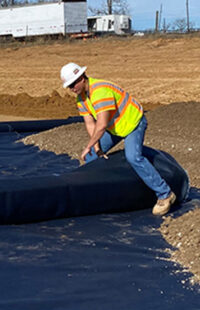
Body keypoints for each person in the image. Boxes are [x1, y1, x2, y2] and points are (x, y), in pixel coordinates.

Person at [60, 62, 175, 216]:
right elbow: (90, 123)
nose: (72, 88)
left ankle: (165, 194)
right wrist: (95, 148)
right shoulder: (81, 99)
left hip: (133, 123)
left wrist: (89, 145)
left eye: (73, 84)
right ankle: (98, 193)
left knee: (133, 157)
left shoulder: (100, 91)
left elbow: (100, 124)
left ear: (82, 78)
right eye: (69, 86)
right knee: (92, 157)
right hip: (115, 128)